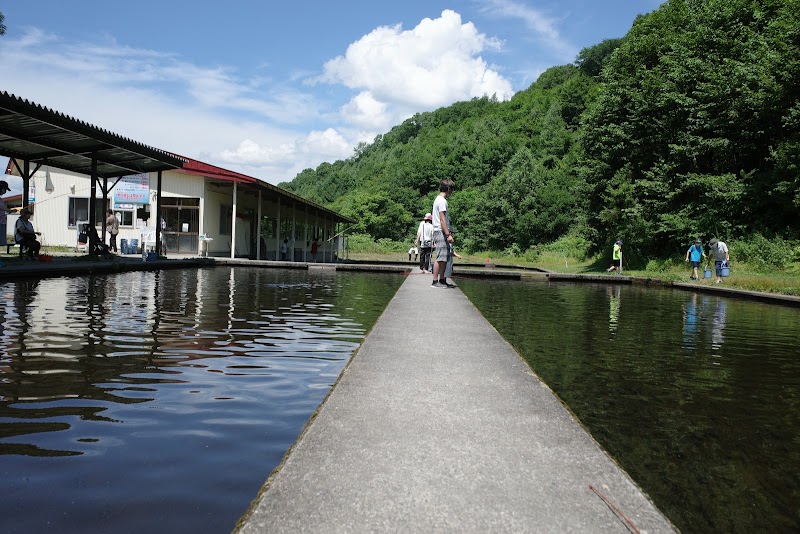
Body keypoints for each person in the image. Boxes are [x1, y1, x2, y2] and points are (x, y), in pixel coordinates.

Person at [431, 179, 456, 288]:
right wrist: (448, 234)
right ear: (449, 189)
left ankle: (442, 280)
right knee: (440, 257)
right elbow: (442, 220)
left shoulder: (438, 199)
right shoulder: (442, 201)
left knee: (444, 257)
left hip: (441, 231)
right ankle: (435, 281)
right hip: (440, 231)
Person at [0, 180, 10, 249]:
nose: (4, 191)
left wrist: (8, 211)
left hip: (2, 222)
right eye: (4, 189)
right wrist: (8, 210)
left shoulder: (1, 199)